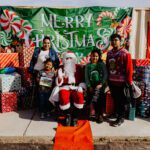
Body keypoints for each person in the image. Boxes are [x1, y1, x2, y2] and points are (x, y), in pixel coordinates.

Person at [106, 34, 133, 126]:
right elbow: (107, 66)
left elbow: (129, 68)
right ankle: (115, 113)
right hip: (111, 81)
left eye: (116, 40)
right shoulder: (109, 53)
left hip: (122, 82)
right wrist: (107, 79)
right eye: (112, 40)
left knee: (121, 100)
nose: (114, 42)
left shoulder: (125, 53)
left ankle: (120, 118)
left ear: (120, 41)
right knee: (115, 99)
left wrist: (128, 82)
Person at [28, 36, 60, 107]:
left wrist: (55, 69)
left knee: (46, 91)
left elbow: (57, 62)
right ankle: (41, 108)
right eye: (45, 43)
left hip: (47, 74)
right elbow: (32, 62)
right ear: (42, 43)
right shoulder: (37, 50)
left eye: (48, 43)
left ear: (50, 44)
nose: (46, 45)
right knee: (40, 91)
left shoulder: (52, 52)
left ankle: (46, 108)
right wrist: (30, 71)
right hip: (37, 73)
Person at [56, 51, 85, 126]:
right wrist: (59, 77)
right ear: (64, 59)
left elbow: (82, 79)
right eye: (67, 58)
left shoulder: (78, 67)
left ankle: (75, 117)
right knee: (63, 96)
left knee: (79, 97)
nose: (69, 60)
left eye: (71, 58)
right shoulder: (61, 68)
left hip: (76, 86)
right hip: (65, 86)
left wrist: (81, 86)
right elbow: (58, 82)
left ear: (74, 59)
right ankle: (67, 116)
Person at [85, 49, 107, 123]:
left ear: (99, 57)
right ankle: (94, 113)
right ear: (90, 56)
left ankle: (100, 114)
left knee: (99, 98)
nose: (95, 58)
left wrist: (101, 84)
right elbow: (86, 77)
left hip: (100, 85)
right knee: (92, 98)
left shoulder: (102, 64)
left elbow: (105, 75)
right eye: (93, 56)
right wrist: (89, 86)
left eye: (96, 56)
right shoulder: (88, 65)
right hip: (91, 85)